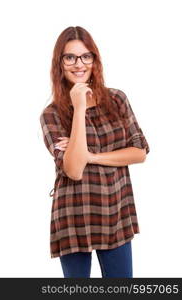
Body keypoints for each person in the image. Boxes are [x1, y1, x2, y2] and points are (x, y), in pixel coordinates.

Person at [39, 26, 150, 278]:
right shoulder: (51, 115)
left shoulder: (117, 100)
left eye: (85, 56)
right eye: (70, 57)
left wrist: (90, 155)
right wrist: (78, 107)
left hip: (116, 212)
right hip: (74, 215)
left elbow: (139, 152)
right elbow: (74, 170)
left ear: (94, 59)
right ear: (60, 63)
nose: (79, 64)